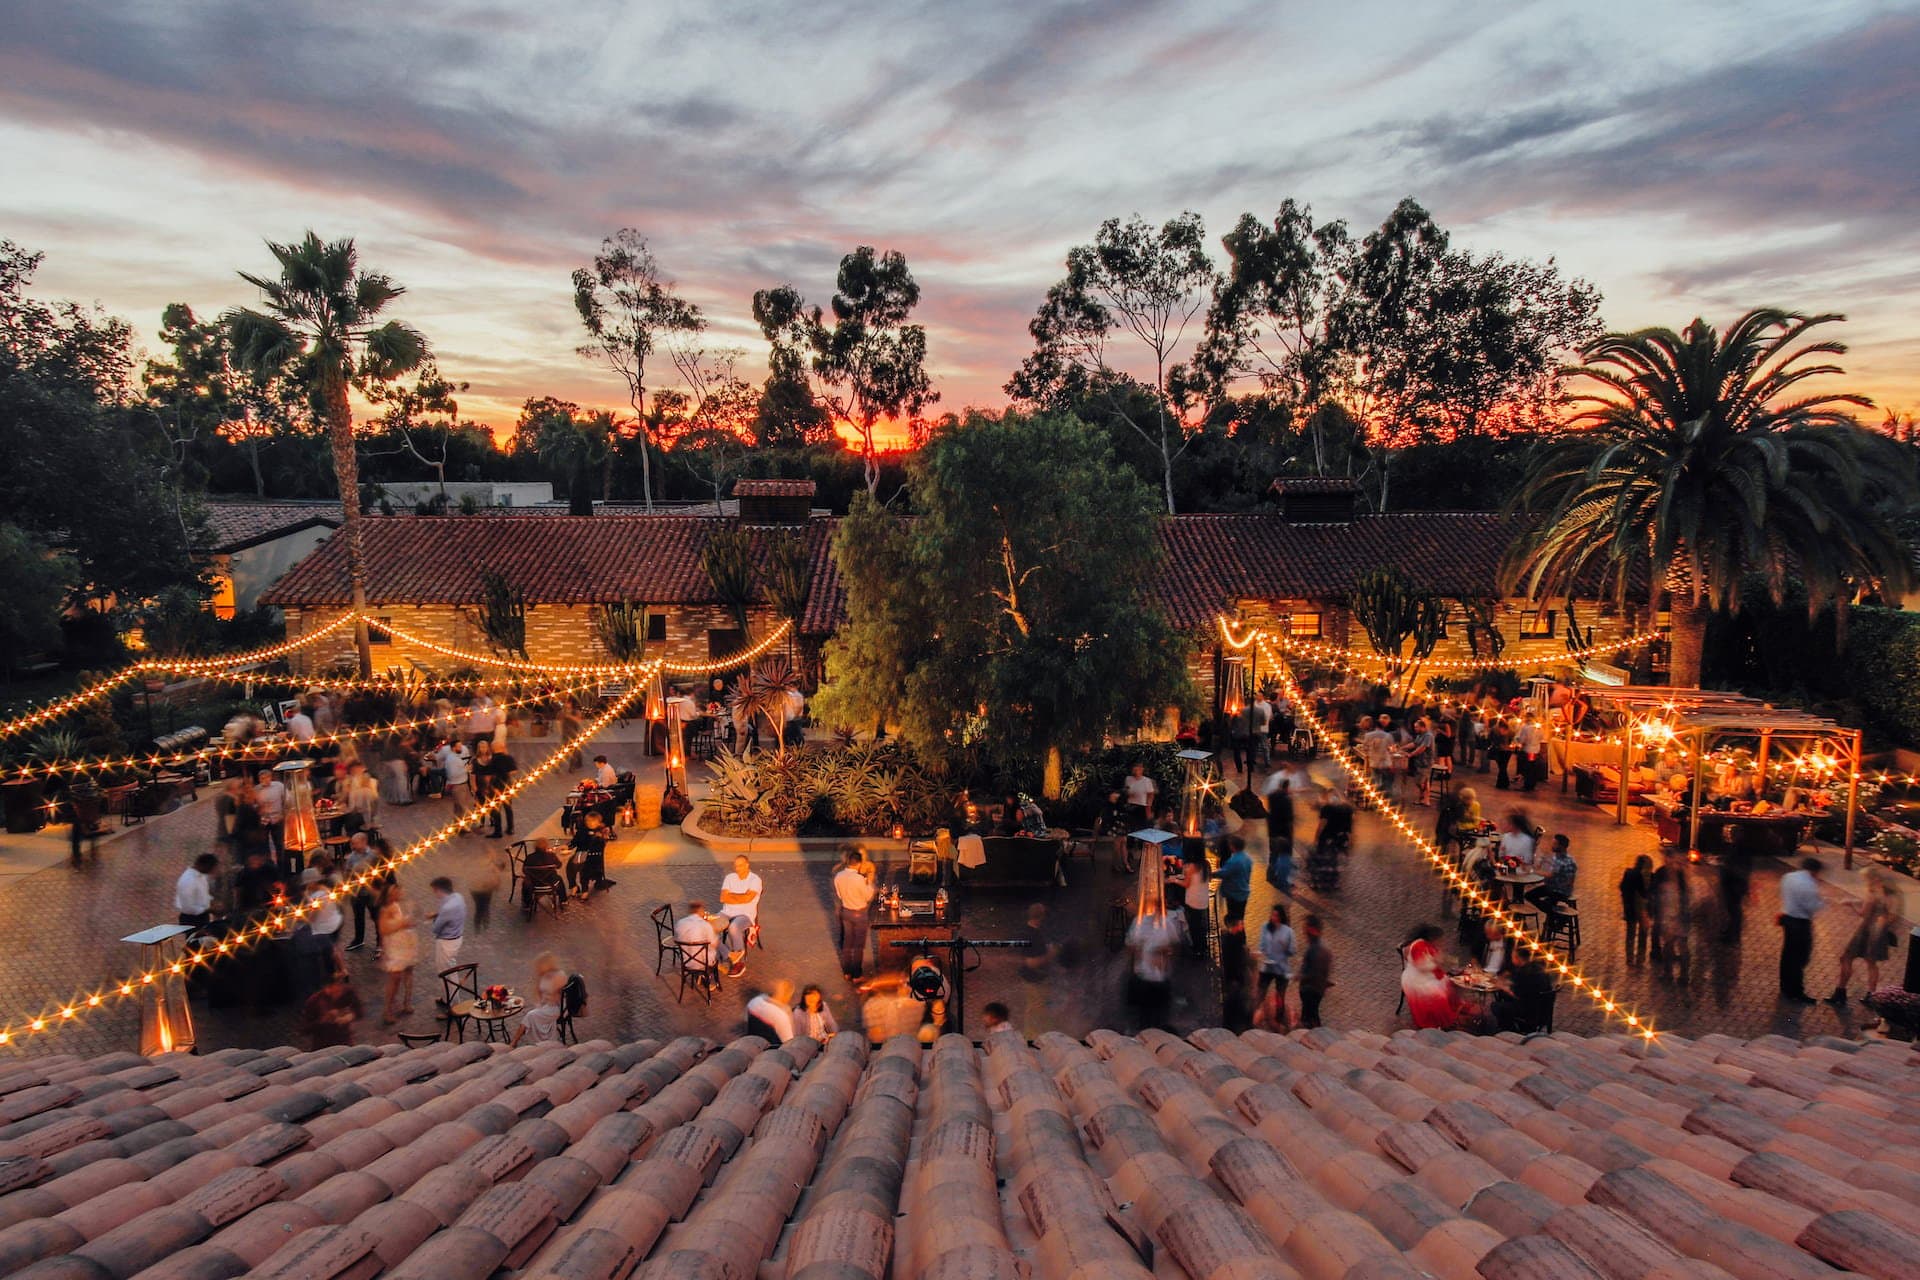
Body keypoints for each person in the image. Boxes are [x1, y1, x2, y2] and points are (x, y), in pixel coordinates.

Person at [1828, 866, 1900, 1006]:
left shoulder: (1872, 893)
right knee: (1871, 963)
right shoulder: (1888, 894)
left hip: (1866, 931)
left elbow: (1863, 913)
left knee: (1846, 958)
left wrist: (1850, 904)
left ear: (1870, 879)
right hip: (1879, 932)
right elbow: (1890, 914)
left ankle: (1840, 993)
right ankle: (1872, 995)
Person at [1777, 856, 1823, 1003]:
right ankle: (1796, 991)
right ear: (1814, 871)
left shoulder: (1788, 877)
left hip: (1787, 918)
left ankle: (1785, 986)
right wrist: (1822, 901)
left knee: (1787, 955)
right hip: (1800, 922)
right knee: (1800, 957)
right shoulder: (1809, 885)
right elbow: (1812, 906)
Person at [1126, 905, 1177, 1032]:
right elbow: (1130, 945)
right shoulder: (1139, 923)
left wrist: (1164, 952)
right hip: (1144, 977)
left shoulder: (1167, 924)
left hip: (1159, 978)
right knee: (1146, 1014)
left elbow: (1174, 945)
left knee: (1158, 1013)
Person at [376, 881, 419, 1026]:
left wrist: (408, 923)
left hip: (405, 944)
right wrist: (403, 923)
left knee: (409, 971)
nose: (401, 893)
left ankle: (407, 1003)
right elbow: (383, 930)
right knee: (395, 978)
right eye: (397, 891)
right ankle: (387, 1011)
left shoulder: (397, 905)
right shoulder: (386, 909)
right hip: (395, 947)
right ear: (390, 894)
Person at [1399, 924, 1455, 1029]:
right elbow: (1421, 966)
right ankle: (1435, 1021)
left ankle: (1443, 1019)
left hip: (1427, 976)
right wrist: (1436, 962)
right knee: (1438, 995)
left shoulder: (1430, 946)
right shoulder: (1418, 946)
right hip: (1416, 979)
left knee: (1449, 987)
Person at [1649, 848, 1693, 982]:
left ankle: (1678, 974)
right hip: (1672, 915)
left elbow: (1654, 893)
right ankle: (1674, 974)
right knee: (1672, 945)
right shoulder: (1669, 874)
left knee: (1676, 945)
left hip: (1674, 915)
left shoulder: (1672, 875)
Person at [717, 855, 763, 978]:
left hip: (745, 914)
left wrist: (731, 896)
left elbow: (749, 898)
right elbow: (723, 898)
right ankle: (727, 954)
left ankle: (739, 964)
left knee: (734, 927)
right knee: (707, 927)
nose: (737, 868)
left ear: (747, 865)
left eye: (740, 865)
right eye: (735, 865)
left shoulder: (755, 880)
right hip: (726, 912)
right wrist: (742, 897)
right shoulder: (729, 878)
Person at [1017, 902, 1057, 1034]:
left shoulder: (1034, 932)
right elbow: (1030, 963)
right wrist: (1050, 954)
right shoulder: (1030, 934)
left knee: (1039, 1014)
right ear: (1041, 917)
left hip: (1037, 979)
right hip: (1034, 980)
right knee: (1035, 1014)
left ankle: (1037, 1039)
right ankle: (1032, 1041)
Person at [513, 954, 569, 1047]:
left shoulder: (559, 975)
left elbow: (561, 994)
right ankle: (516, 1040)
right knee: (532, 1015)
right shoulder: (545, 975)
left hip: (557, 1007)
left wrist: (551, 995)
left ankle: (514, 1041)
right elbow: (540, 992)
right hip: (547, 1004)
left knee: (530, 1015)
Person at [299, 969, 362, 1049]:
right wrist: (323, 1020)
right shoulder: (314, 1001)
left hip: (345, 1041)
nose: (341, 991)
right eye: (337, 987)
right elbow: (304, 1029)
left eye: (342, 985)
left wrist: (348, 1017)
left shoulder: (348, 992)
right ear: (327, 987)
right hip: (323, 1045)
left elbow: (359, 1012)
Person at [1492, 957, 1555, 1034]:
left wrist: (1502, 987)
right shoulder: (1543, 974)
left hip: (1529, 1011)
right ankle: (1516, 1025)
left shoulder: (1525, 972)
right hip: (1543, 1012)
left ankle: (1510, 1030)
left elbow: (1516, 994)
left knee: (1495, 1005)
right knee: (1504, 996)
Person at [1256, 904, 1295, 1020]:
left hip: (1281, 968)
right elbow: (1262, 946)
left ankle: (1279, 1018)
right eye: (1272, 915)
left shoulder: (1288, 932)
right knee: (1261, 991)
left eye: (1276, 915)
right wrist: (1261, 953)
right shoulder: (1265, 927)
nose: (1274, 918)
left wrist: (1285, 947)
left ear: (1281, 917)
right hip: (1268, 966)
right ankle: (1257, 1014)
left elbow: (1292, 951)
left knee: (1280, 995)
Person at [342, 832, 378, 951]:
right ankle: (358, 940)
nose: (353, 846)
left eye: (355, 843)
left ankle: (380, 942)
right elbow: (347, 872)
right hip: (356, 893)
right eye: (352, 843)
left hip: (371, 892)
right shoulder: (352, 857)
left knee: (376, 917)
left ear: (364, 842)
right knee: (358, 917)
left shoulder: (373, 856)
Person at [1526, 835, 1577, 915]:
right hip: (1554, 887)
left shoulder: (1562, 861)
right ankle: (1552, 917)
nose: (1552, 845)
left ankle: (1556, 916)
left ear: (1561, 846)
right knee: (1530, 895)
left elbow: (1550, 874)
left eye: (1554, 844)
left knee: (1538, 899)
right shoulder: (1559, 857)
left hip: (1560, 890)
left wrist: (1532, 871)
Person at [675, 901, 729, 975]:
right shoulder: (705, 925)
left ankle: (727, 955)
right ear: (700, 911)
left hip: (686, 962)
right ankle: (712, 975)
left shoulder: (680, 923)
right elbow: (714, 944)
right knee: (717, 946)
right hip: (703, 962)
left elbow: (677, 938)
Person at [1297, 915, 1332, 1029]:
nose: (1303, 931)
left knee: (1310, 1017)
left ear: (1311, 929)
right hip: (1316, 989)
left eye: (1305, 927)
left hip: (1311, 990)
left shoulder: (1315, 949)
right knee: (1311, 1015)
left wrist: (1300, 976)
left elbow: (1313, 973)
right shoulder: (1320, 946)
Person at [569, 811, 615, 896]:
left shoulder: (601, 831)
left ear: (598, 822)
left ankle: (585, 891)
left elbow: (602, 844)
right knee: (569, 866)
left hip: (593, 856)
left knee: (583, 867)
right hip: (581, 854)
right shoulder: (582, 830)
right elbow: (574, 841)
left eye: (593, 821)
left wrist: (601, 837)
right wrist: (568, 846)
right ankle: (573, 886)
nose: (590, 823)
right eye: (588, 821)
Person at [1619, 854, 1654, 965]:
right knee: (1643, 935)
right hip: (1644, 910)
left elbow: (1622, 887)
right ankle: (1640, 958)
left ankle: (1629, 958)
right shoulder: (1651, 876)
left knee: (1630, 934)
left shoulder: (1629, 873)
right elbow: (1649, 893)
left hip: (1631, 908)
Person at [481, 740, 519, 838]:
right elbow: (514, 771)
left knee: (495, 809)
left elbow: (488, 775)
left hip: (495, 787)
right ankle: (510, 828)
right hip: (507, 786)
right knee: (508, 808)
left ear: (493, 748)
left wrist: (487, 787)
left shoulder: (492, 760)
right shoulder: (508, 758)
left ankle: (498, 831)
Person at [428, 877, 466, 975]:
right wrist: (437, 914)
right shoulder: (458, 897)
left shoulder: (447, 908)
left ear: (439, 890)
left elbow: (436, 929)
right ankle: (454, 989)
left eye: (434, 891)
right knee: (451, 967)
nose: (435, 894)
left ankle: (450, 990)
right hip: (457, 938)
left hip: (446, 943)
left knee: (444, 971)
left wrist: (435, 918)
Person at [1180, 847, 1212, 958]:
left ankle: (1198, 950)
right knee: (1201, 925)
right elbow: (1210, 879)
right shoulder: (1206, 864)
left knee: (1194, 926)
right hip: (1203, 900)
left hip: (1193, 900)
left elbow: (1186, 884)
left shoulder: (1193, 867)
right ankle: (1203, 948)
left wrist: (1174, 880)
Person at [521, 839, 568, 914]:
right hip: (550, 883)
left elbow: (524, 870)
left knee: (525, 882)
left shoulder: (530, 857)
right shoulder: (551, 856)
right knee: (559, 878)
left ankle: (527, 904)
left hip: (534, 884)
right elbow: (559, 865)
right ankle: (563, 900)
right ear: (546, 847)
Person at [1263, 777, 1294, 892]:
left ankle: (1270, 875)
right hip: (1283, 832)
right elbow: (1289, 819)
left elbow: (1268, 811)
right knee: (1284, 856)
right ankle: (1282, 879)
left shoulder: (1272, 795)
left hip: (1273, 830)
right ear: (1287, 786)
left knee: (1273, 854)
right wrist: (1291, 834)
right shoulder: (1287, 800)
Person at [254, 769, 288, 867]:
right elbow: (253, 804)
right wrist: (259, 808)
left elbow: (286, 799)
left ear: (270, 777)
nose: (264, 780)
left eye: (266, 777)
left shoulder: (278, 786)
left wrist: (283, 814)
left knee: (279, 843)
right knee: (264, 844)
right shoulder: (256, 789)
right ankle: (269, 864)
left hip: (277, 817)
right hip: (264, 819)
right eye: (262, 778)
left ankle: (282, 864)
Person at [746, 978, 797, 1044]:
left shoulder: (755, 1001)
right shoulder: (781, 1016)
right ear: (787, 996)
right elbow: (788, 1041)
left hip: (751, 1041)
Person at [175, 853, 218, 928]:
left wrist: (212, 901)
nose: (213, 871)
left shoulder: (202, 876)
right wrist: (209, 910)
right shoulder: (188, 880)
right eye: (212, 868)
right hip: (192, 920)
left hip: (202, 917)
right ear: (205, 866)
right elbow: (188, 908)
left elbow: (203, 895)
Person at [469, 843, 506, 931]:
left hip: (476, 889)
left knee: (481, 906)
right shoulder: (490, 865)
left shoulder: (477, 863)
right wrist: (496, 884)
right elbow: (495, 876)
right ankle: (482, 922)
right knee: (483, 906)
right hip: (485, 889)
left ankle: (480, 922)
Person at [1217, 835, 1253, 925]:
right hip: (1243, 892)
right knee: (1240, 918)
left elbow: (1223, 873)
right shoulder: (1247, 858)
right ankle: (1240, 934)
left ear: (1233, 846)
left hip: (1234, 894)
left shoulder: (1234, 861)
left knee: (1234, 919)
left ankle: (1237, 936)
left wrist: (1211, 874)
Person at [435, 739, 471, 816]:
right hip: (459, 785)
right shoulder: (452, 759)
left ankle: (458, 825)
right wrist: (466, 769)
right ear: (453, 748)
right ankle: (466, 826)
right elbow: (453, 774)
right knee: (463, 807)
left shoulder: (455, 758)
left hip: (459, 785)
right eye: (459, 747)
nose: (461, 748)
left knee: (458, 808)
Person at [341, 762, 380, 831]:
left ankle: (368, 821)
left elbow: (375, 796)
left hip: (367, 807)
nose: (357, 771)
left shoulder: (371, 780)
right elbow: (344, 797)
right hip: (353, 809)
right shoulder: (348, 781)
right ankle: (367, 821)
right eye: (354, 770)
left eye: (359, 769)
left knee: (365, 792)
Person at [1514, 712, 1545, 792]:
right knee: (1533, 768)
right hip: (1536, 750)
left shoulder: (1526, 727)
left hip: (1527, 749)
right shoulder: (1539, 727)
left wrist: (1518, 740)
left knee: (1527, 768)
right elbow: (1542, 737)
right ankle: (1532, 785)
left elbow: (1522, 739)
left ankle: (1527, 785)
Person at [1122, 763, 1157, 827]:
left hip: (1141, 807)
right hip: (1130, 806)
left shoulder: (1147, 781)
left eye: (1138, 768)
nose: (1136, 770)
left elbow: (1150, 795)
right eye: (1135, 768)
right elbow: (1126, 791)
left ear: (1142, 769)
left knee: (1140, 826)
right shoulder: (1128, 779)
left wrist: (1148, 809)